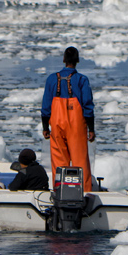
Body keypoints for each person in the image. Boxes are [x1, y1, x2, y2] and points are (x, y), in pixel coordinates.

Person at [41, 46, 95, 192]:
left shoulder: (52, 79)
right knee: (80, 160)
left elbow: (46, 106)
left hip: (56, 123)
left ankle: (60, 192)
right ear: (77, 60)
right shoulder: (82, 80)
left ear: (64, 59)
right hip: (76, 124)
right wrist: (91, 129)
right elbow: (87, 106)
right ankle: (84, 193)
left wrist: (45, 127)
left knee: (59, 161)